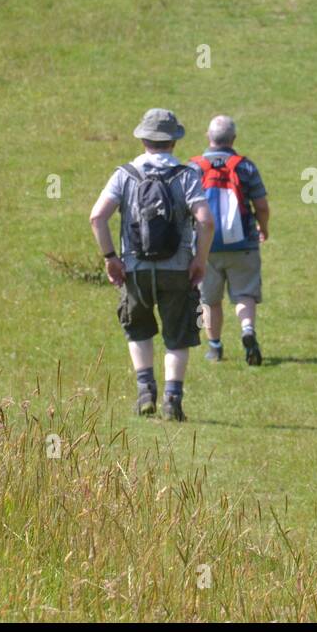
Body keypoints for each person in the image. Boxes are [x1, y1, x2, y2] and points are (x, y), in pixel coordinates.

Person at [89, 108, 214, 423]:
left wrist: (110, 258)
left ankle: (146, 391)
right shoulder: (187, 176)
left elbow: (97, 217)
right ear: (174, 141)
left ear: (144, 139)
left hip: (135, 268)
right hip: (178, 269)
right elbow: (205, 221)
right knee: (178, 334)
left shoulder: (125, 175)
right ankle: (173, 399)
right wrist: (199, 260)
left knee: (138, 328)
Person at [191, 115, 270, 366]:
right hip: (243, 243)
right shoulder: (245, 167)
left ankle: (214, 347)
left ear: (208, 137)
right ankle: (247, 329)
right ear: (233, 139)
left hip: (205, 246)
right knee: (244, 293)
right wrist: (262, 227)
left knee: (210, 300)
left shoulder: (193, 167)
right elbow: (261, 205)